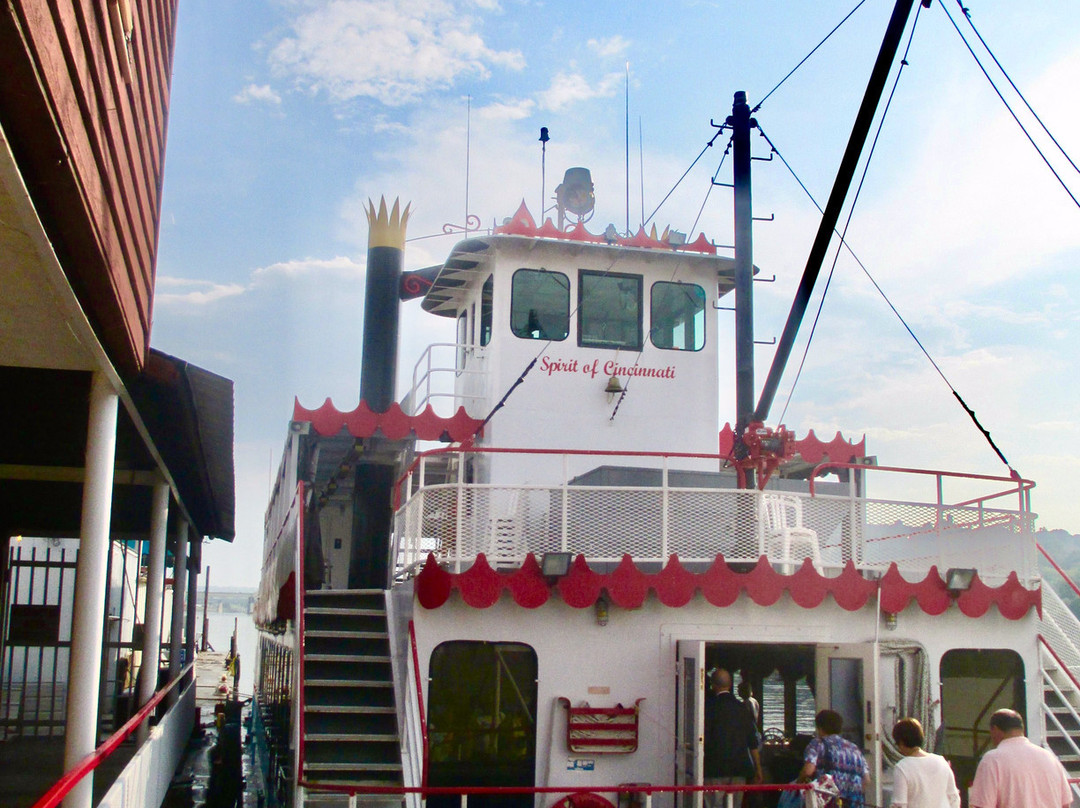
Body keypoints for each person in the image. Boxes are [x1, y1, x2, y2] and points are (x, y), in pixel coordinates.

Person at [968, 709, 1071, 808]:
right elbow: (1065, 804)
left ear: (994, 729)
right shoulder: (1049, 757)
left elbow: (983, 805)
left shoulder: (992, 760)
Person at [704, 668, 763, 808]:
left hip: (715, 767)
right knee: (735, 805)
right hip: (739, 767)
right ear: (730, 685)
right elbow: (752, 742)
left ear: (713, 685)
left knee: (714, 805)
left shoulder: (708, 708)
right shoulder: (742, 708)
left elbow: (704, 738)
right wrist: (758, 768)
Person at [798, 709, 869, 808]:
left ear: (820, 728)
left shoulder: (818, 744)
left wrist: (798, 782)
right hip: (854, 803)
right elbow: (866, 779)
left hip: (829, 802)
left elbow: (808, 771)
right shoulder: (854, 748)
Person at [890, 717, 959, 808]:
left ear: (901, 743)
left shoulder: (902, 767)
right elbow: (954, 798)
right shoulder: (942, 762)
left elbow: (899, 804)